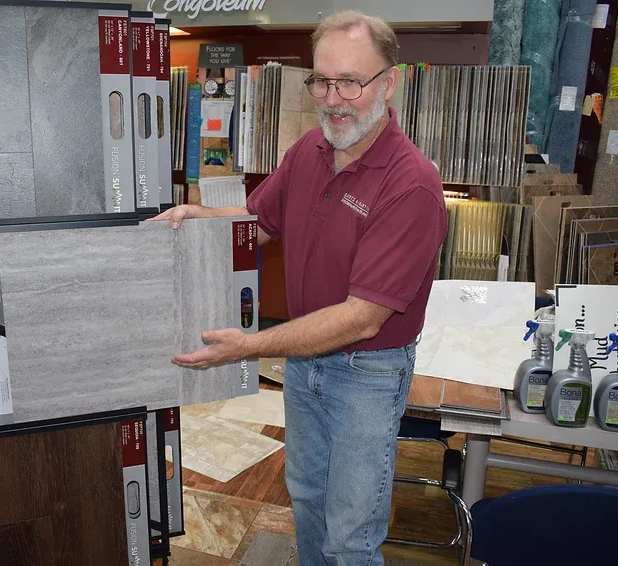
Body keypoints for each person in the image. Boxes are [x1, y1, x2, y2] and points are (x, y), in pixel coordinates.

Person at [152, 10, 447, 565]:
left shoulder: (412, 186)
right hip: (305, 362)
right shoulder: (309, 150)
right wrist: (198, 217)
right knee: (308, 501)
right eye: (322, 81)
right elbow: (258, 222)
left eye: (351, 83)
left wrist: (251, 346)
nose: (333, 100)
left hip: (366, 374)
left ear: (389, 83)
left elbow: (362, 317)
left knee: (350, 533)